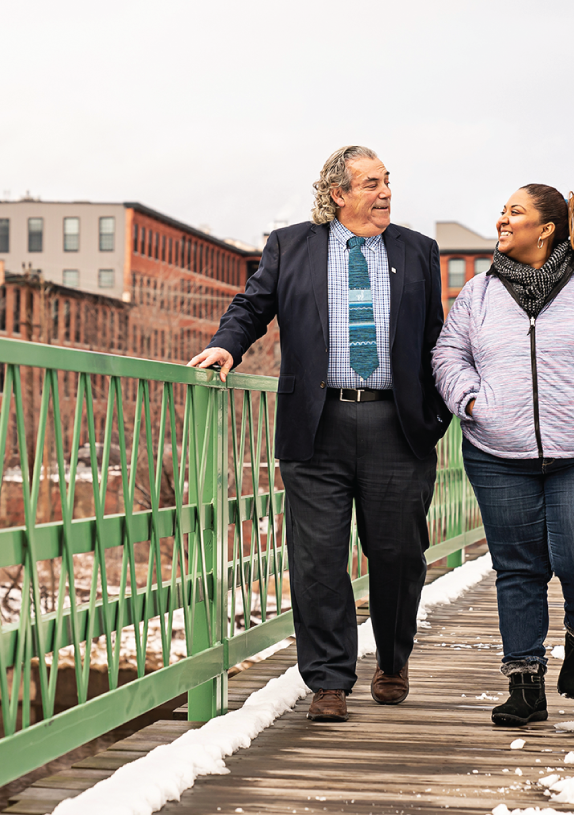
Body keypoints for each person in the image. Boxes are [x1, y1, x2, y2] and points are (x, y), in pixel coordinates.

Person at [188, 145, 450, 722]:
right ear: (337, 194)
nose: (384, 193)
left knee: (398, 554)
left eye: (387, 182)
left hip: (397, 425)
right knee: (317, 558)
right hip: (316, 424)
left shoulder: (417, 250)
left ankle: (393, 658)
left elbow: (436, 338)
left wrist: (440, 412)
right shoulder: (292, 245)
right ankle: (329, 680)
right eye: (370, 184)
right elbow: (253, 305)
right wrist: (227, 345)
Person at [432, 184, 574, 727]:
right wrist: (469, 399)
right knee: (518, 567)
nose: (501, 220)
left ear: (546, 228)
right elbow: (448, 352)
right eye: (503, 211)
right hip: (497, 450)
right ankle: (524, 684)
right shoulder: (479, 293)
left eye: (514, 212)